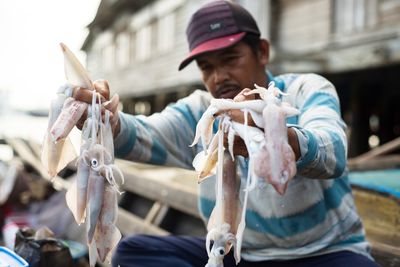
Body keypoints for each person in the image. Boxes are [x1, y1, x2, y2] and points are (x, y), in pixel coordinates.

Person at [72, 1, 380, 266]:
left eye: (231, 59)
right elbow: (141, 135)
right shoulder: (200, 112)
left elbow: (333, 151)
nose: (219, 77)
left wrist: (278, 136)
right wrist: (106, 121)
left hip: (324, 252)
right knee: (132, 252)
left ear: (262, 52)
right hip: (240, 253)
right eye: (207, 67)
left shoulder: (307, 89)